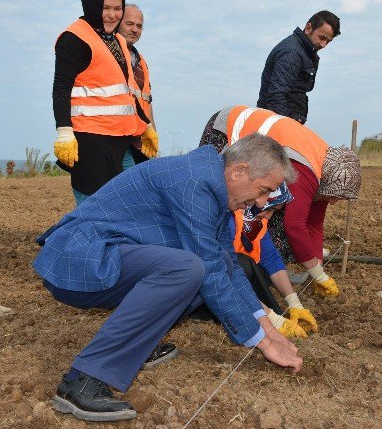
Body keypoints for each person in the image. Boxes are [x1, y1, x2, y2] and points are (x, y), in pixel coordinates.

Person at [33, 133, 303, 422]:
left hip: (108, 255)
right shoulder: (195, 182)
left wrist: (271, 333)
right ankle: (82, 381)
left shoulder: (215, 189)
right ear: (240, 171)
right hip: (81, 258)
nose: (261, 202)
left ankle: (137, 347)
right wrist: (262, 342)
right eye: (263, 190)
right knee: (189, 269)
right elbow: (208, 269)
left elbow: (228, 267)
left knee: (201, 271)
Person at [199, 105, 361, 299]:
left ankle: (264, 269)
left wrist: (317, 272)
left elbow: (314, 225)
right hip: (227, 126)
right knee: (216, 198)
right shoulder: (306, 171)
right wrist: (317, 274)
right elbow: (295, 226)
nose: (334, 202)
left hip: (255, 143)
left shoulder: (323, 172)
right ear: (329, 182)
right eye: (335, 196)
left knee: (265, 226)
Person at [52, 0, 155, 206]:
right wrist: (64, 132)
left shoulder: (116, 41)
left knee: (130, 202)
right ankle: (74, 240)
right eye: (105, 8)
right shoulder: (74, 38)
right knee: (92, 210)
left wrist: (145, 126)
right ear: (91, 4)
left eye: (118, 9)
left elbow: (127, 92)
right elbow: (61, 87)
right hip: (90, 142)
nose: (112, 15)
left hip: (121, 142)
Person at [230, 182, 318, 338]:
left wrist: (294, 303)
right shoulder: (229, 219)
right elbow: (226, 274)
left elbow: (271, 258)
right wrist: (271, 319)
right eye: (269, 209)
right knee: (244, 264)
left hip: (238, 278)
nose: (269, 216)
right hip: (222, 282)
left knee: (259, 271)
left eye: (274, 211)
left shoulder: (256, 223)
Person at [257, 11, 340, 124]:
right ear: (308, 28)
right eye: (322, 38)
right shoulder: (292, 53)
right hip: (277, 125)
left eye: (328, 41)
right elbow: (276, 97)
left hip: (287, 121)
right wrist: (288, 130)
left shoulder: (304, 52)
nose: (323, 45)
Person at [118, 3, 159, 170]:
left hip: (140, 141)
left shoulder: (141, 61)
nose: (135, 29)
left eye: (139, 26)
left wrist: (153, 133)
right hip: (118, 139)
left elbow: (147, 101)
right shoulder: (110, 54)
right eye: (129, 24)